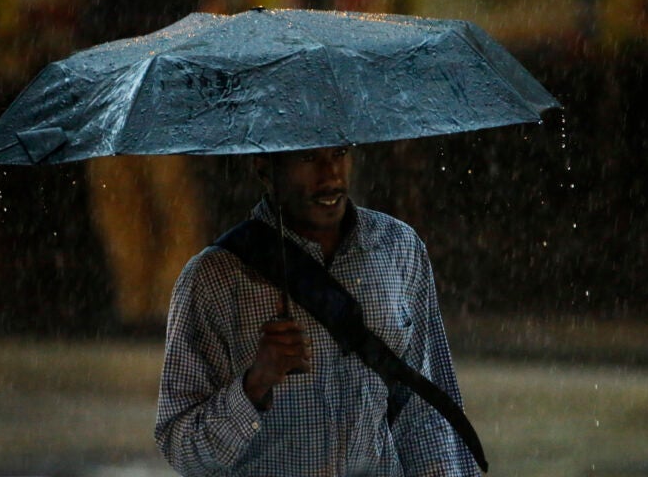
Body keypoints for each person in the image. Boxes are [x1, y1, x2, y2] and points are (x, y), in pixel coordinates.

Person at [155, 146, 481, 476]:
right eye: (308, 158)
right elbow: (181, 447)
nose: (330, 175)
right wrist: (254, 385)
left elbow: (424, 417)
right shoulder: (214, 277)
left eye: (339, 153)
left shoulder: (398, 248)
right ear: (264, 167)